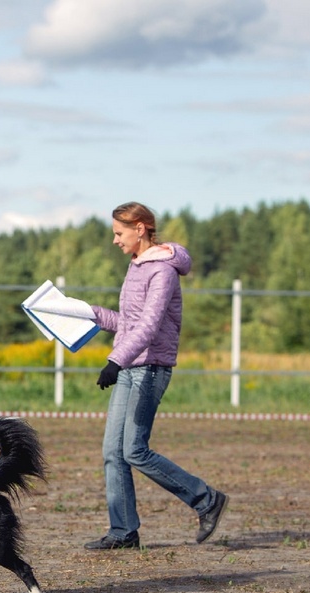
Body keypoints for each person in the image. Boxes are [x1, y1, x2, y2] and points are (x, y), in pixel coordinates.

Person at [84, 201, 228, 550]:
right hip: (132, 364)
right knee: (112, 451)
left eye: (119, 233)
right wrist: (88, 313)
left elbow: (148, 327)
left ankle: (205, 499)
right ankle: (123, 531)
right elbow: (128, 323)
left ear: (140, 228)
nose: (115, 241)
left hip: (150, 368)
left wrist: (115, 360)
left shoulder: (161, 271)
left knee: (134, 450)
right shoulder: (136, 266)